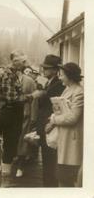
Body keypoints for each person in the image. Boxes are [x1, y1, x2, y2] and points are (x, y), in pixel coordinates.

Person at [47, 62, 83, 187]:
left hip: (71, 141)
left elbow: (73, 118)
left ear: (70, 76)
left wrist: (54, 119)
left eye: (61, 75)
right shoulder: (68, 90)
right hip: (64, 139)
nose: (60, 77)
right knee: (62, 176)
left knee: (66, 178)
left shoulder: (78, 92)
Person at [32, 54, 65, 187]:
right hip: (44, 126)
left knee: (50, 161)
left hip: (50, 127)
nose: (44, 70)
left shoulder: (58, 85)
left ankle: (50, 187)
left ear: (55, 70)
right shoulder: (50, 82)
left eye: (47, 68)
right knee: (47, 160)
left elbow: (55, 109)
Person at [0, 51, 26, 183]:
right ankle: (5, 181)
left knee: (11, 146)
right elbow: (11, 98)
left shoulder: (14, 74)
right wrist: (31, 96)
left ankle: (6, 177)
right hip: (10, 112)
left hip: (12, 112)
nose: (24, 63)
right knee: (9, 146)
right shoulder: (8, 75)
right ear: (14, 61)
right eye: (22, 61)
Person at [15, 63, 37, 178]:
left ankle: (20, 166)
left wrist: (33, 117)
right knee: (12, 139)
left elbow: (34, 98)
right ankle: (6, 163)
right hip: (12, 115)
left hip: (25, 113)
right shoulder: (7, 79)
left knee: (23, 141)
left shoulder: (29, 81)